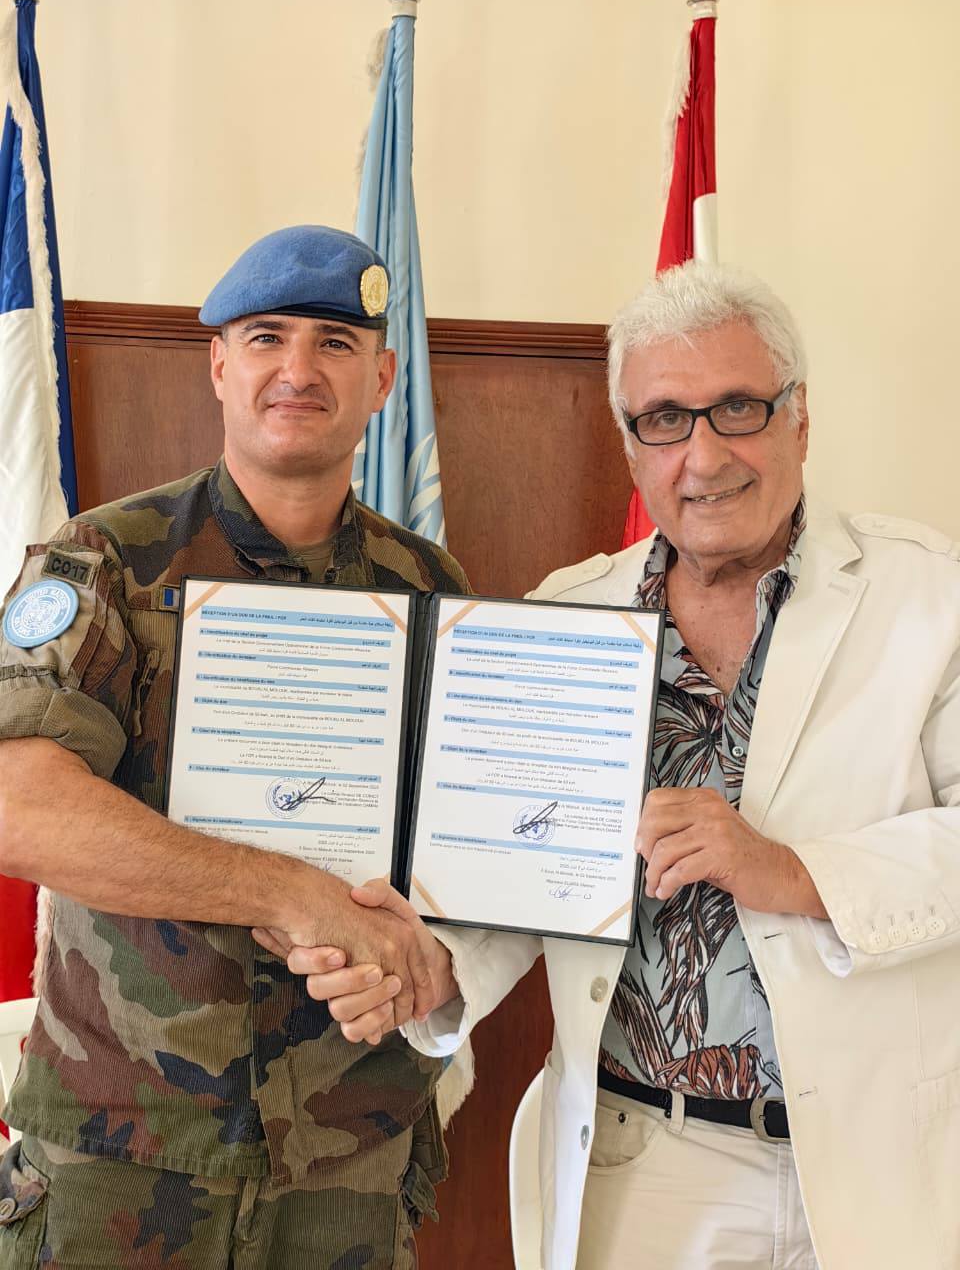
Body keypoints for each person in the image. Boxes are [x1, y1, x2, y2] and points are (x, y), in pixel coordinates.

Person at [288, 262, 960, 1269]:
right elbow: (517, 871)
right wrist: (425, 969)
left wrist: (789, 870)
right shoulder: (565, 616)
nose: (705, 454)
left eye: (739, 408)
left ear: (799, 419)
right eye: (665, 420)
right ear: (631, 446)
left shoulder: (929, 595)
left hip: (880, 1164)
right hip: (645, 1167)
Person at [0, 225, 469, 1269]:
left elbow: (464, 838)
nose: (298, 369)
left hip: (350, 1146)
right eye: (266, 337)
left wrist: (429, 963)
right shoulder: (107, 559)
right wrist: (286, 891)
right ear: (219, 364)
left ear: (383, 378)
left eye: (335, 343)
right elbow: (16, 801)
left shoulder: (431, 587)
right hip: (127, 1143)